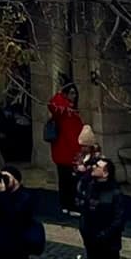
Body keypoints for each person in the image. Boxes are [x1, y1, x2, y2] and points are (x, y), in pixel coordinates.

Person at [77, 152, 127, 259]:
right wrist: (85, 232)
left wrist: (103, 235)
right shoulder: (91, 187)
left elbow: (118, 220)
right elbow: (84, 211)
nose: (94, 167)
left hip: (109, 245)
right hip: (91, 242)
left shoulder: (115, 194)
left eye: (98, 166)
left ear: (105, 173)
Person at [0, 168, 37, 259]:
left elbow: (13, 216)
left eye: (7, 177)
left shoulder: (25, 198)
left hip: (15, 248)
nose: (4, 180)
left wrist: (2, 194)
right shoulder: (1, 193)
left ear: (16, 180)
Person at [46, 79, 86, 213]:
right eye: (71, 93)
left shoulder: (71, 112)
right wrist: (59, 93)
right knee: (68, 181)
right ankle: (68, 206)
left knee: (68, 181)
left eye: (75, 93)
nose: (74, 96)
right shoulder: (63, 112)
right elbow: (52, 104)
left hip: (69, 151)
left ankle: (67, 205)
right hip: (66, 152)